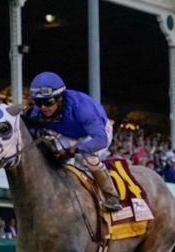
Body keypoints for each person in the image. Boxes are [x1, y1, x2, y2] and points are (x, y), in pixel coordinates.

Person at [22, 72, 119, 211]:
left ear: (60, 98)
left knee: (84, 157)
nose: (43, 107)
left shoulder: (83, 109)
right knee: (48, 150)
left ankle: (111, 196)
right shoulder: (37, 112)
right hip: (70, 133)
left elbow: (101, 140)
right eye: (38, 102)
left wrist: (78, 148)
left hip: (97, 133)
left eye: (48, 102)